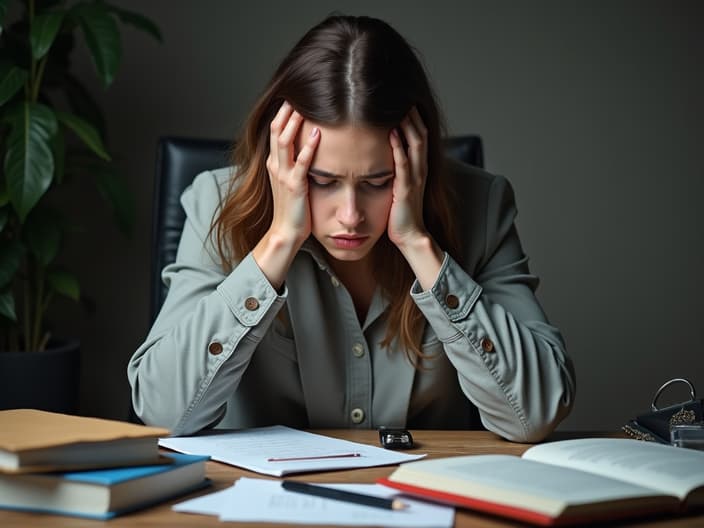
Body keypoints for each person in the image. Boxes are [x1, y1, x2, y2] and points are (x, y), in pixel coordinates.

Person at [128, 15, 575, 442]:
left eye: (378, 183)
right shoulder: (215, 203)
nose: (350, 215)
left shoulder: (482, 206)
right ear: (282, 156)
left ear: (417, 162)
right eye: (322, 181)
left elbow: (533, 416)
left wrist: (420, 246)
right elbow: (163, 412)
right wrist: (278, 242)